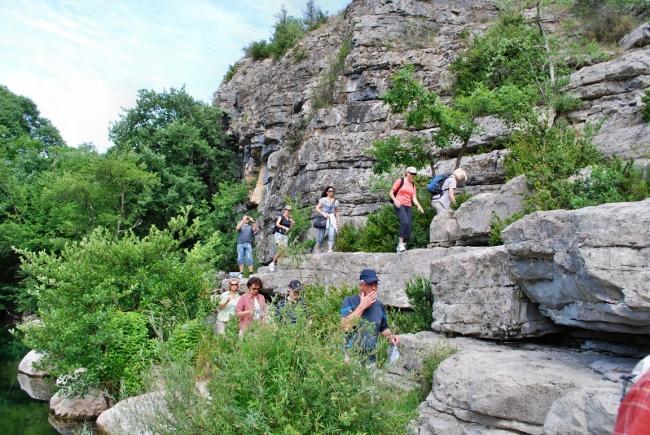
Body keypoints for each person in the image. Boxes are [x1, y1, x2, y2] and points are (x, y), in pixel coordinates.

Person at [340, 269, 399, 365]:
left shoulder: (379, 305)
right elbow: (345, 326)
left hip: (370, 361)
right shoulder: (349, 301)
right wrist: (362, 306)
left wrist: (391, 337)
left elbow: (383, 327)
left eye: (376, 284)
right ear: (361, 286)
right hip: (350, 359)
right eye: (370, 284)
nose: (374, 288)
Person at [388, 167, 424, 252]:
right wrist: (395, 200)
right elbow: (390, 192)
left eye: (414, 174)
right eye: (411, 174)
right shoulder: (400, 181)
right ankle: (400, 244)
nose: (413, 175)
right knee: (404, 222)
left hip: (408, 206)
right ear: (407, 173)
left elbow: (414, 197)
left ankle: (403, 244)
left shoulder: (413, 184)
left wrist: (419, 206)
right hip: (399, 204)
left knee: (409, 225)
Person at [314, 186, 340, 253]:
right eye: (330, 191)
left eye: (332, 191)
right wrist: (323, 213)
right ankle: (317, 249)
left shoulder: (336, 201)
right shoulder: (323, 199)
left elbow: (337, 211)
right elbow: (317, 208)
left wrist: (338, 220)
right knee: (321, 235)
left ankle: (330, 249)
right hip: (324, 218)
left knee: (331, 234)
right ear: (327, 192)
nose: (331, 192)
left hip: (332, 218)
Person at [269, 205, 294, 272]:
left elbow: (290, 229)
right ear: (285, 210)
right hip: (278, 234)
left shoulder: (289, 219)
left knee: (284, 250)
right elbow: (277, 224)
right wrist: (284, 227)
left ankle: (276, 263)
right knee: (281, 248)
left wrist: (292, 223)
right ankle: (272, 263)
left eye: (290, 210)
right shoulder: (281, 217)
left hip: (285, 235)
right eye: (288, 210)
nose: (289, 211)